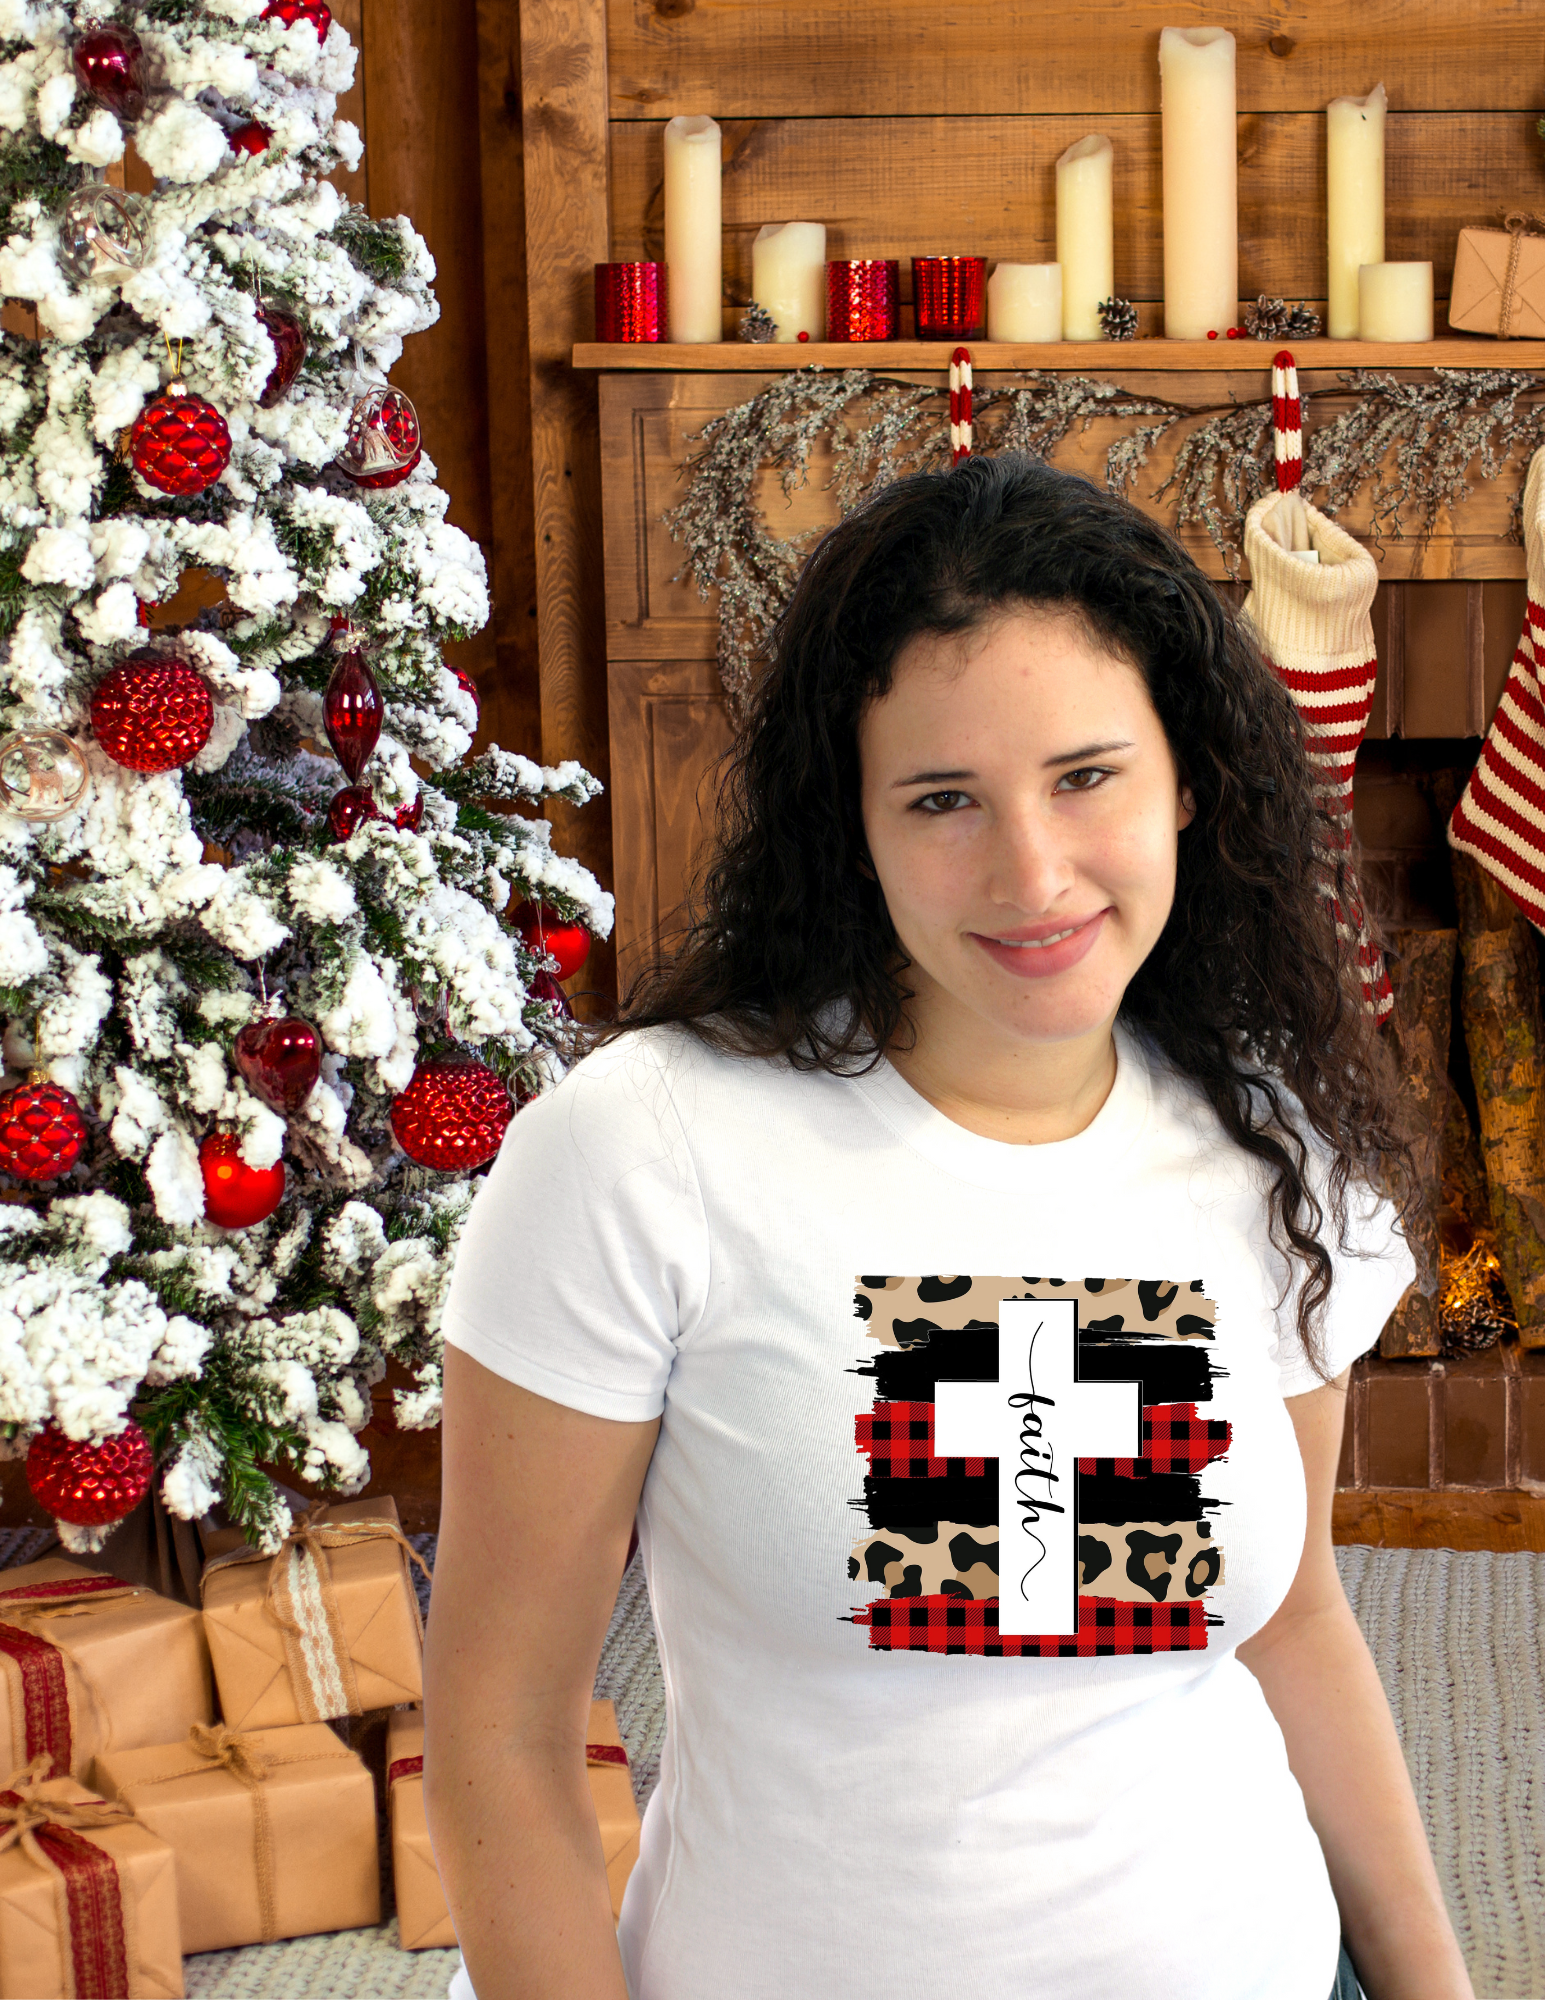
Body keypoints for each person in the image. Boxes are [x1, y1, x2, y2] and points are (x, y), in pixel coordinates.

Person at [424, 452, 1476, 2000]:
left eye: (1086, 776)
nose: (1031, 872)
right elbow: (501, 1733)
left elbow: (1296, 1619)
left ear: (1188, 779)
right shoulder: (643, 1149)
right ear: (850, 823)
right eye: (942, 800)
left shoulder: (1275, 1142)